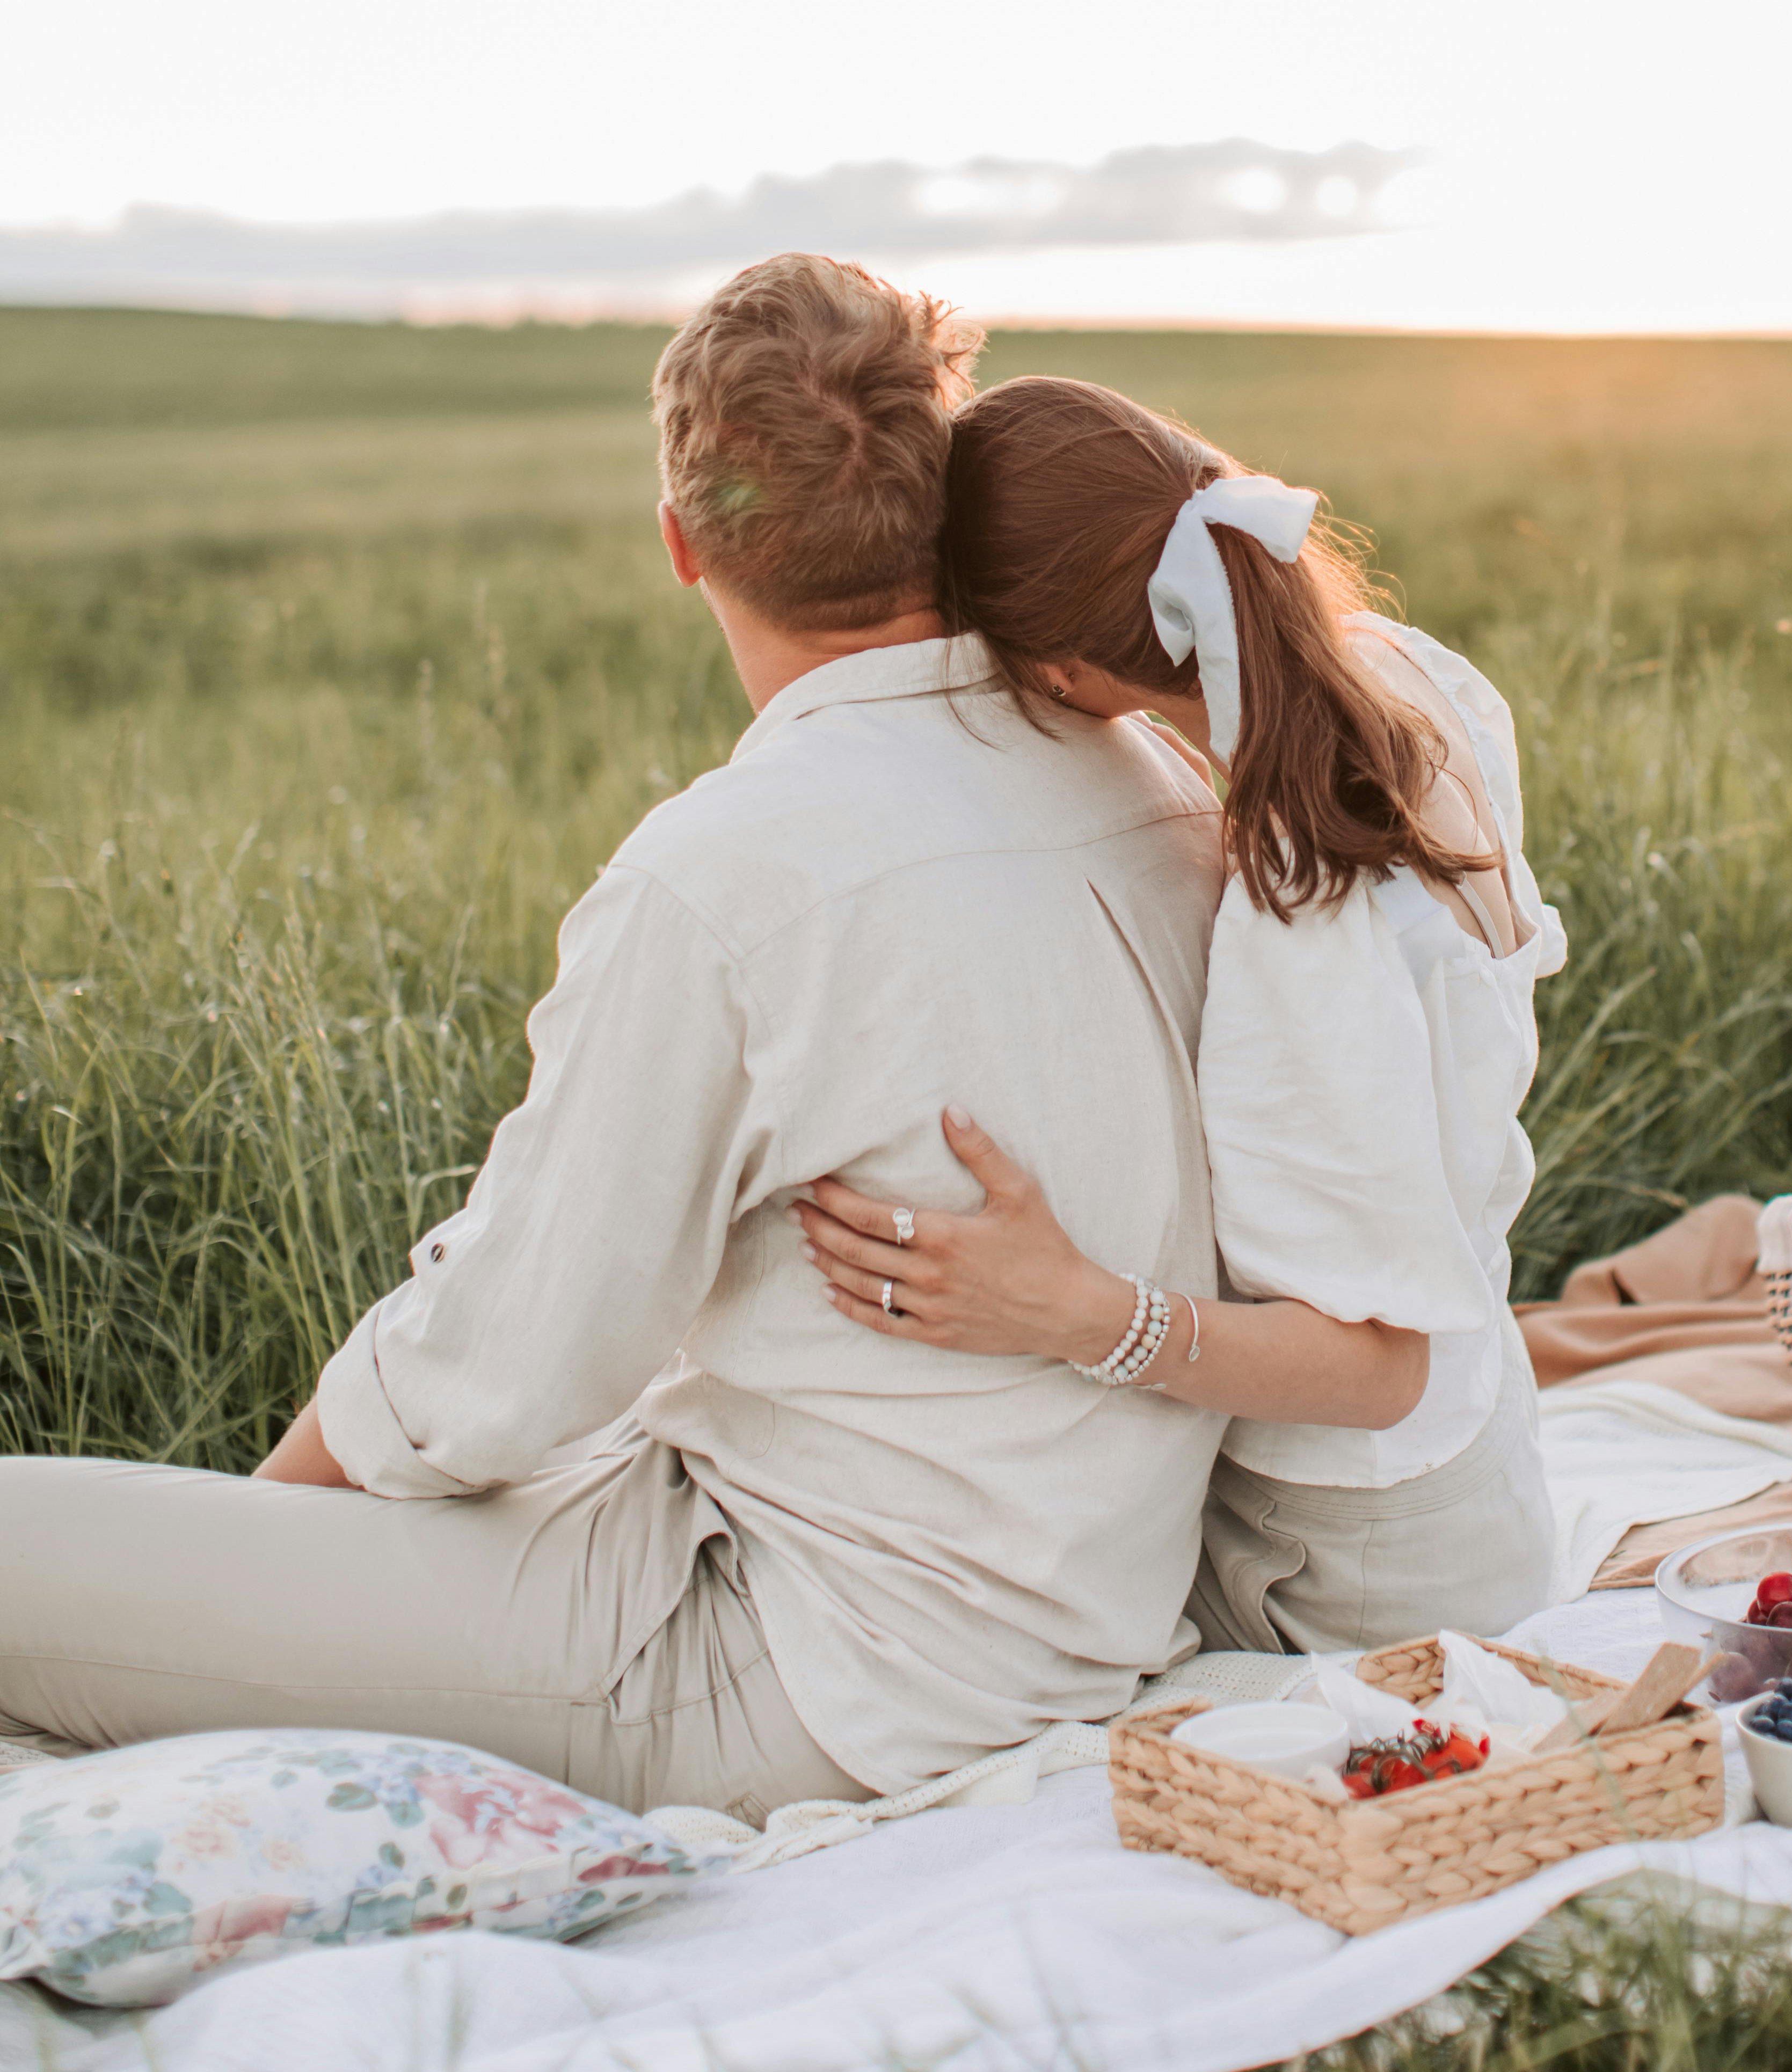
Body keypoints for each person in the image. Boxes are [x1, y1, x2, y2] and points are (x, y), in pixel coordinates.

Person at [0, 262, 1232, 1819]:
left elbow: (502, 1377)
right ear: (944, 511)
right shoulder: (1153, 779)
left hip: (818, 1670)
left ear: (681, 541)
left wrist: (257, 1543)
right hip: (1062, 1602)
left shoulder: (724, 876)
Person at [795, 376, 1567, 1654]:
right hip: (1481, 1459)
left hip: (1354, 1547)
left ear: (1049, 670)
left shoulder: (1300, 914)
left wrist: (1073, 1308)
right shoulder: (1410, 683)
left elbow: (1381, 1367)